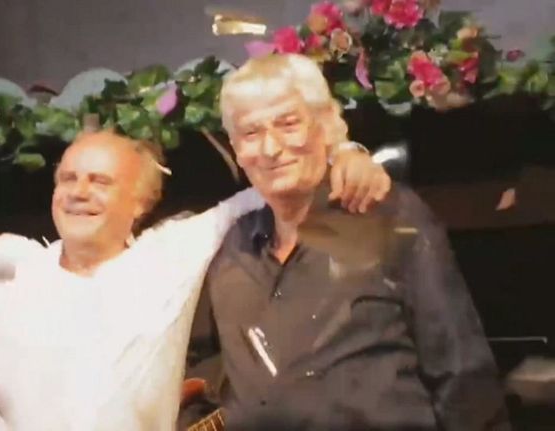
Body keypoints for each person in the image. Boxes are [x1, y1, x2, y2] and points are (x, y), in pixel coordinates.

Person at [0, 65, 390, 430]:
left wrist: (346, 155)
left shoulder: (169, 256)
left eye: (100, 181)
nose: (78, 192)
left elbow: (275, 182)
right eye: (68, 178)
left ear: (140, 201)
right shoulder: (10, 267)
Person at [185, 53, 510, 430]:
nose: (270, 148)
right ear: (235, 149)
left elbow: (461, 370)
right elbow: (207, 371)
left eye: (288, 124)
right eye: (251, 133)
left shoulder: (387, 216)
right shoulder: (229, 248)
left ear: (325, 125)